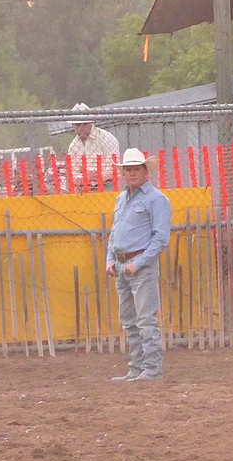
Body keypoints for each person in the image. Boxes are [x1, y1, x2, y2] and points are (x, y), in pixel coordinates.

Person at [106, 148, 172, 382]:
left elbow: (161, 238)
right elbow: (114, 233)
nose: (131, 173)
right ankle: (137, 368)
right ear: (123, 173)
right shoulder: (121, 199)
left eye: (136, 169)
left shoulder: (157, 199)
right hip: (123, 265)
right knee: (129, 321)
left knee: (144, 319)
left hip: (139, 265)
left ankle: (151, 369)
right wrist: (110, 259)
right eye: (128, 170)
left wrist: (140, 262)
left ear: (146, 172)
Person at [66, 103, 121, 191]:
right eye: (78, 125)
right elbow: (73, 173)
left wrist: (96, 176)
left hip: (106, 184)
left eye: (85, 124)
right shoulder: (73, 146)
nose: (82, 127)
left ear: (91, 122)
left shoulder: (106, 138)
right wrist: (87, 178)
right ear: (73, 125)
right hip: (83, 187)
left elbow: (113, 167)